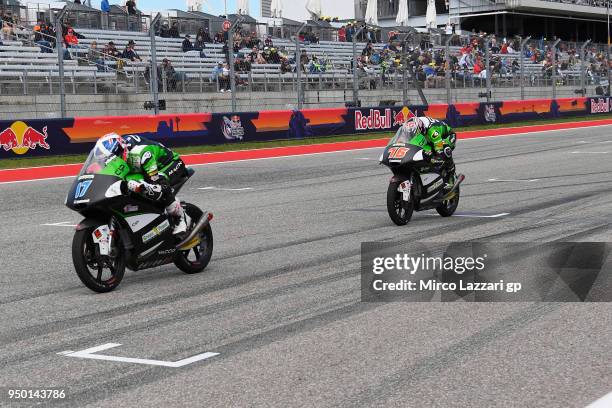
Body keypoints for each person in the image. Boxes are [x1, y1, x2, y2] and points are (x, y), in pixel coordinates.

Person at [93, 133, 189, 235]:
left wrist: (144, 186)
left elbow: (154, 179)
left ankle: (181, 218)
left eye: (108, 160)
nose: (107, 164)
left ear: (120, 152)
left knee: (158, 186)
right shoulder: (118, 154)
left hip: (170, 164)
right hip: (142, 169)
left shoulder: (141, 153)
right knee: (125, 184)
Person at [413, 117, 457, 189]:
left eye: (418, 133)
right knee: (424, 152)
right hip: (430, 139)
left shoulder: (432, 130)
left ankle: (451, 176)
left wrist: (437, 157)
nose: (417, 134)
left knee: (445, 150)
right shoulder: (415, 125)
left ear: (422, 129)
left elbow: (438, 146)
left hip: (447, 136)